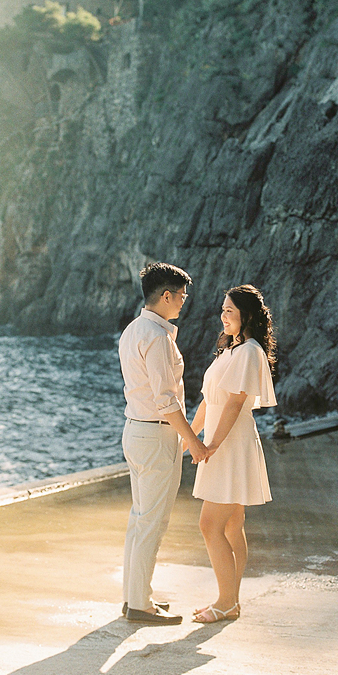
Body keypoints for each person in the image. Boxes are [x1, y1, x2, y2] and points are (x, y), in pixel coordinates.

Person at [117, 261, 209, 626]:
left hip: (136, 430)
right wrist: (194, 442)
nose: (184, 302)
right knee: (152, 522)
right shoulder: (156, 337)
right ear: (165, 295)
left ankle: (135, 598)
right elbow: (166, 401)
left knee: (139, 519)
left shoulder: (132, 330)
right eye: (181, 296)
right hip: (156, 435)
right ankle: (139, 605)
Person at [189, 284, 276, 623]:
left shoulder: (250, 351)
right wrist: (188, 438)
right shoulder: (230, 350)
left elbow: (236, 402)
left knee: (210, 525)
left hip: (230, 445)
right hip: (223, 442)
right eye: (222, 310)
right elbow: (209, 402)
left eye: (230, 311)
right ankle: (230, 601)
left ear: (247, 316)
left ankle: (226, 602)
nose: (223, 316)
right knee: (231, 525)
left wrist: (211, 445)